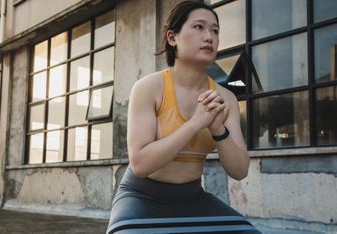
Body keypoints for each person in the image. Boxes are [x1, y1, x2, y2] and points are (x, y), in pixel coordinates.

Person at [107, 0, 250, 230]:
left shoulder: (227, 99)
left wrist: (218, 130)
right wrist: (195, 124)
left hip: (193, 198)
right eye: (199, 27)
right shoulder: (149, 88)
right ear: (172, 38)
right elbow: (141, 164)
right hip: (141, 197)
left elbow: (240, 170)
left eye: (215, 30)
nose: (209, 36)